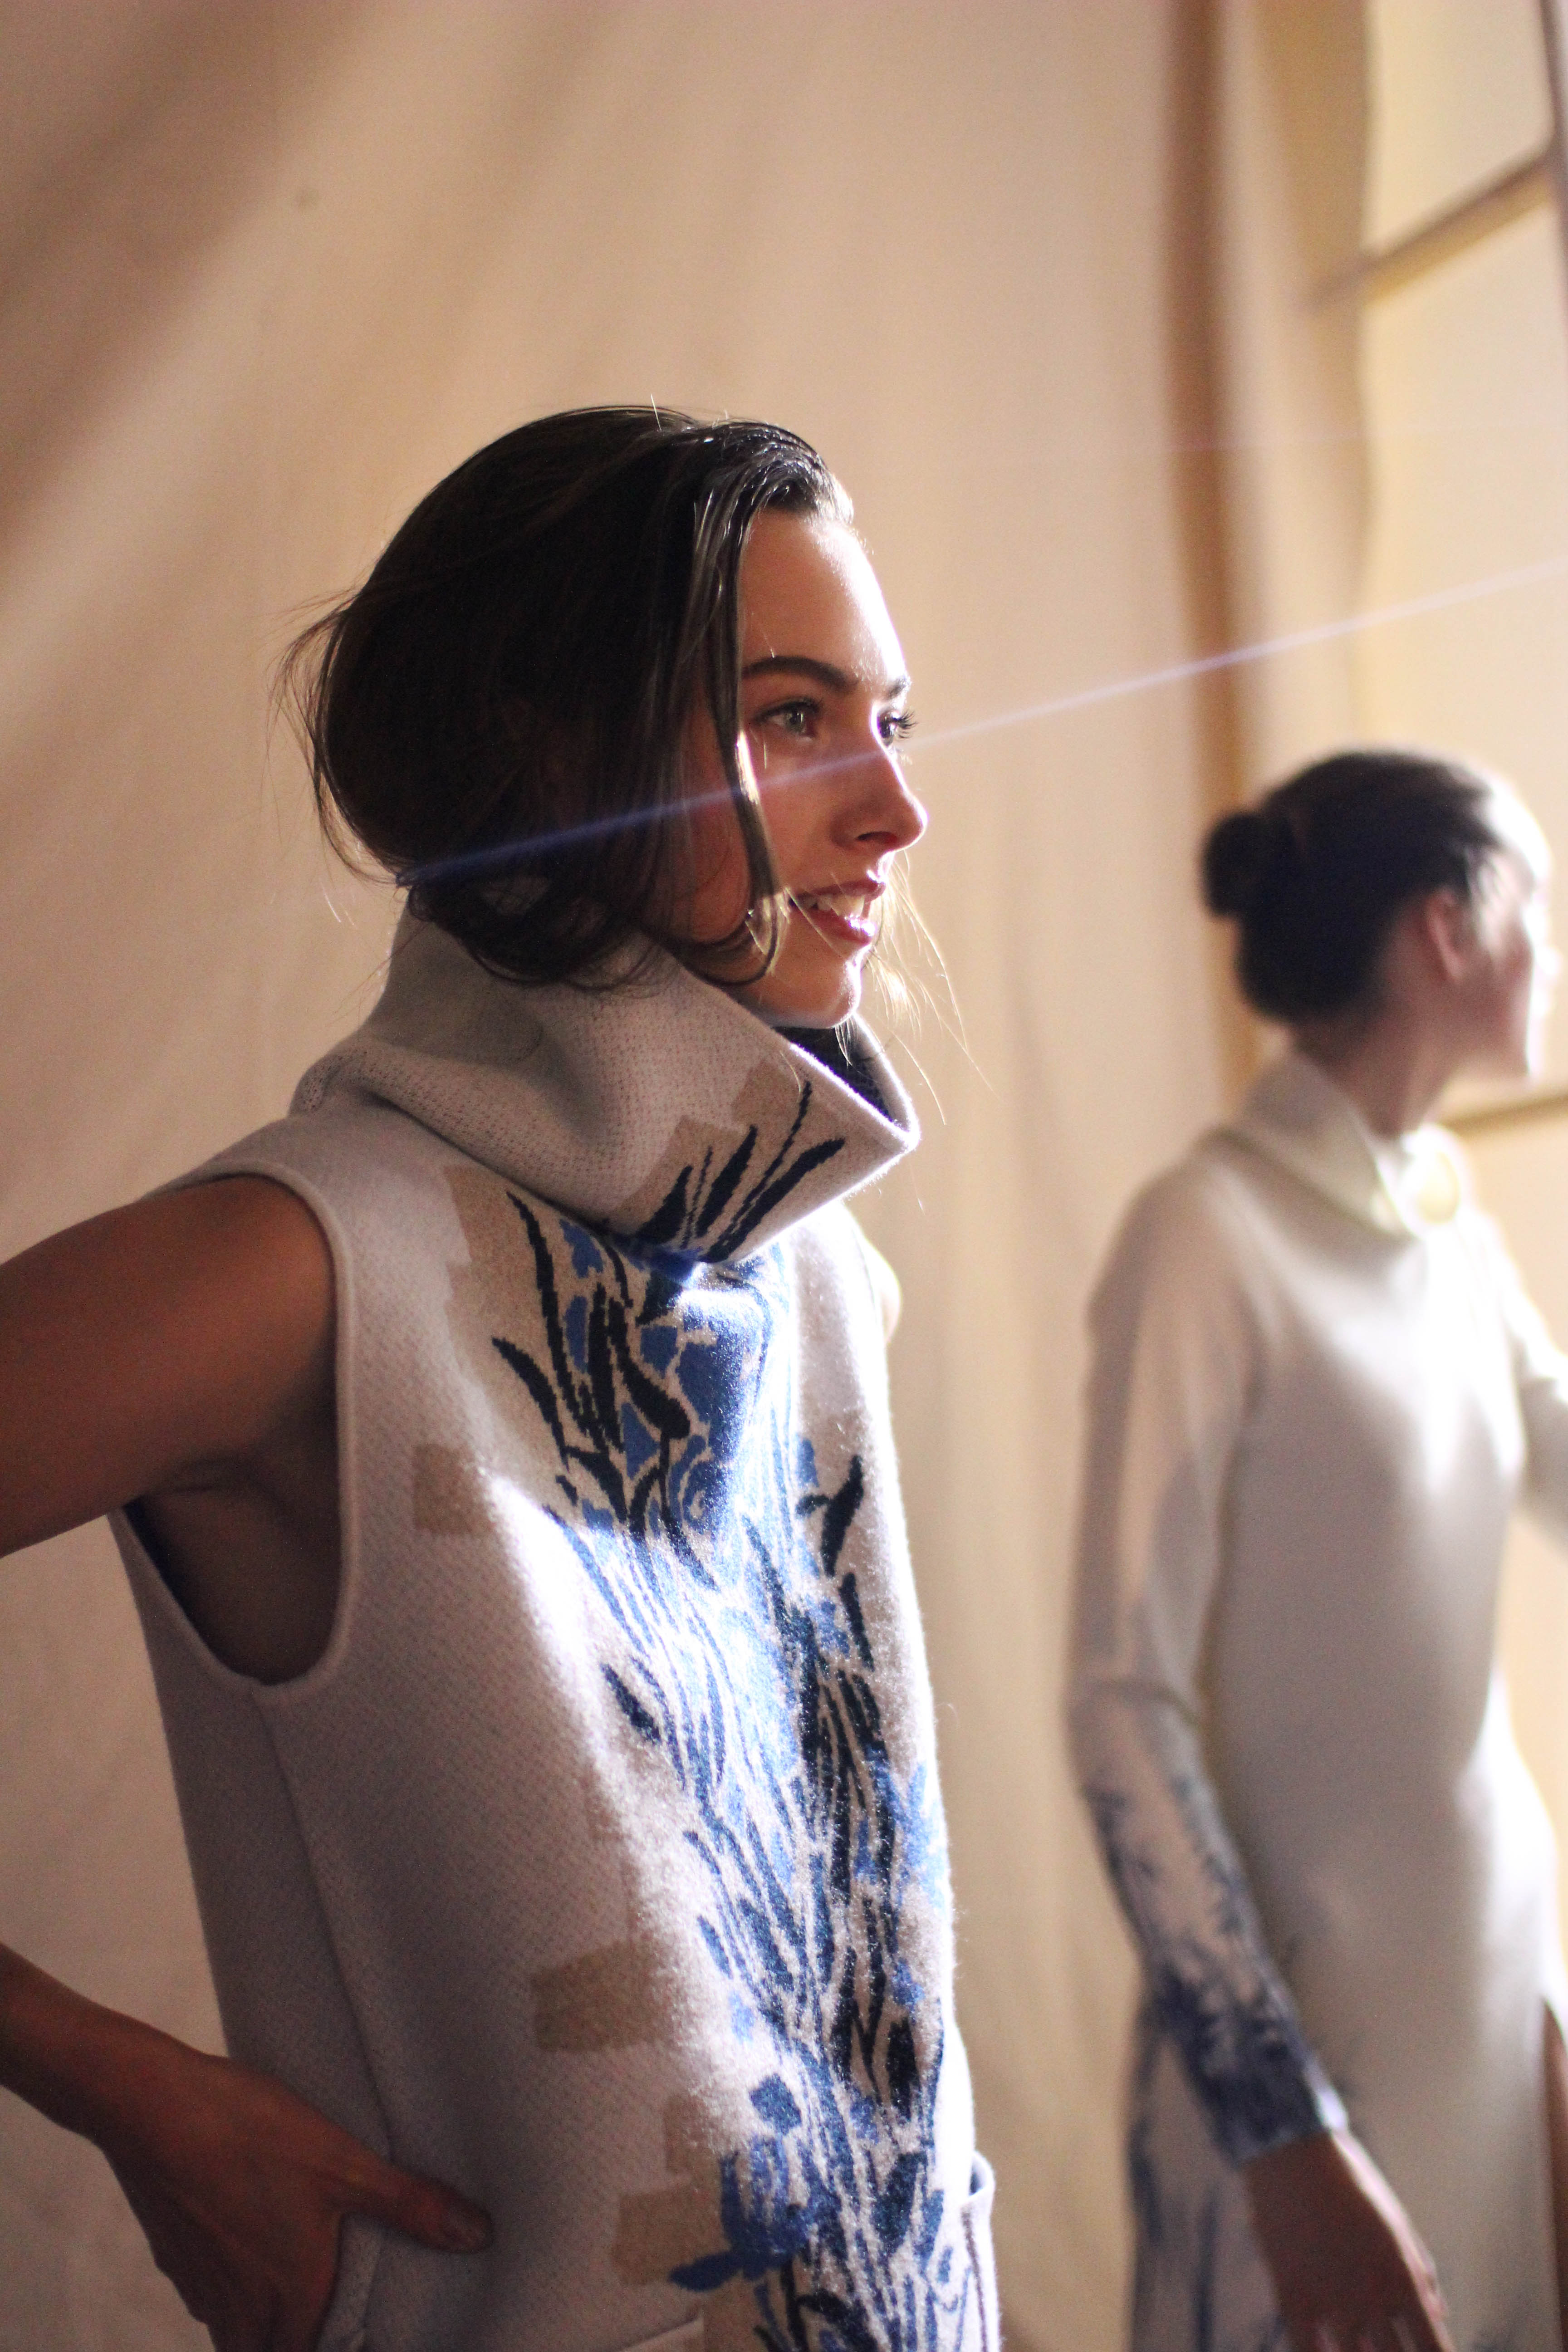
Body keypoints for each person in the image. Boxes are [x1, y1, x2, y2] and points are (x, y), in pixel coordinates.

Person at [0, 408, 997, 2352]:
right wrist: (133, 2097)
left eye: (891, 721)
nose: (896, 809)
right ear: (547, 755)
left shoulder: (816, 1271)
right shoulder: (294, 1268)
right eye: (794, 718)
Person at [1069, 746, 1568, 2352]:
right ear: (1448, 925)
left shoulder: (1445, 1223)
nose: (1555, 948)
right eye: (1539, 903)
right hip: (1307, 2062)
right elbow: (1119, 1704)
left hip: (1501, 1998)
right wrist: (1277, 2120)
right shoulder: (1203, 1238)